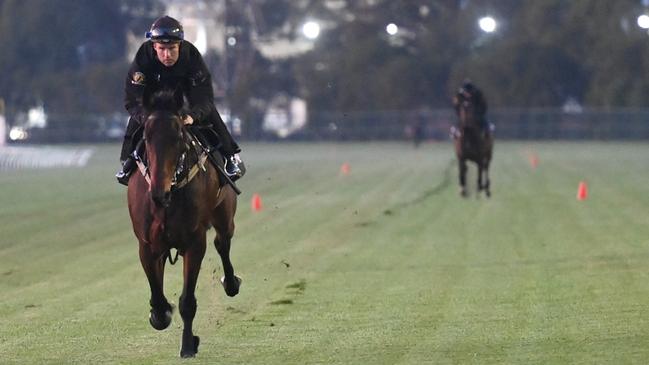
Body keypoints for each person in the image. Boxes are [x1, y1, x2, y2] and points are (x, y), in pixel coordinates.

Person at [116, 15, 244, 185]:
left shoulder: (191, 56)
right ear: (154, 46)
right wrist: (145, 117)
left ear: (180, 45)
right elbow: (132, 99)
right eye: (162, 48)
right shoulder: (143, 58)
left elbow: (204, 97)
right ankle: (127, 162)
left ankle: (230, 157)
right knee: (135, 122)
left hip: (186, 96)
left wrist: (193, 116)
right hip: (154, 98)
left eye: (172, 49)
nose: (167, 54)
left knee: (211, 113)